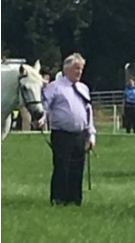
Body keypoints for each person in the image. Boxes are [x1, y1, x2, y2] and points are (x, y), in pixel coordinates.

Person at [41, 53, 96, 206]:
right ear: (67, 70)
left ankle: (74, 199)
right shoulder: (55, 87)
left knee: (77, 168)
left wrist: (91, 135)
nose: (79, 72)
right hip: (62, 134)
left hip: (80, 135)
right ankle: (59, 199)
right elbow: (45, 107)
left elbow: (88, 112)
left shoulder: (83, 88)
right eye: (76, 68)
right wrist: (40, 119)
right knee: (62, 167)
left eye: (81, 69)